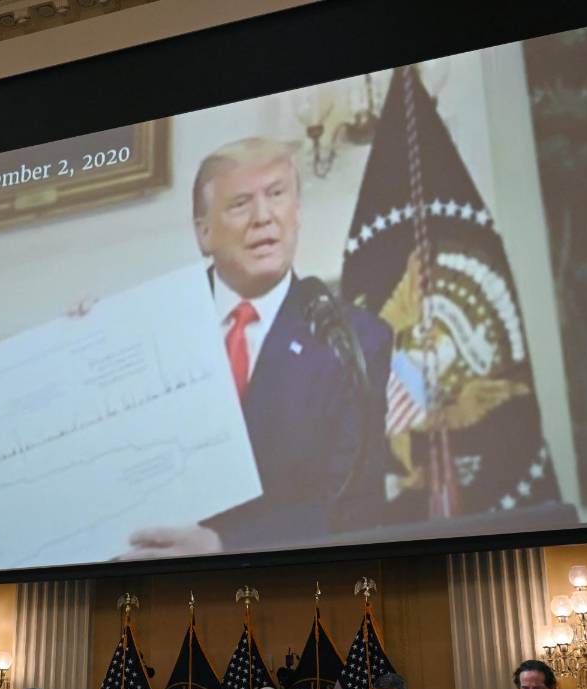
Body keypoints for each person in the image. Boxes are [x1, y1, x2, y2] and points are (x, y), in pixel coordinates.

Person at [126, 137, 391, 558]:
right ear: (204, 232)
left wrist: (225, 547)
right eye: (240, 203)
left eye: (277, 195)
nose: (264, 217)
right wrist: (78, 341)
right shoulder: (144, 329)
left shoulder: (355, 340)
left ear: (297, 213)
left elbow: (354, 506)